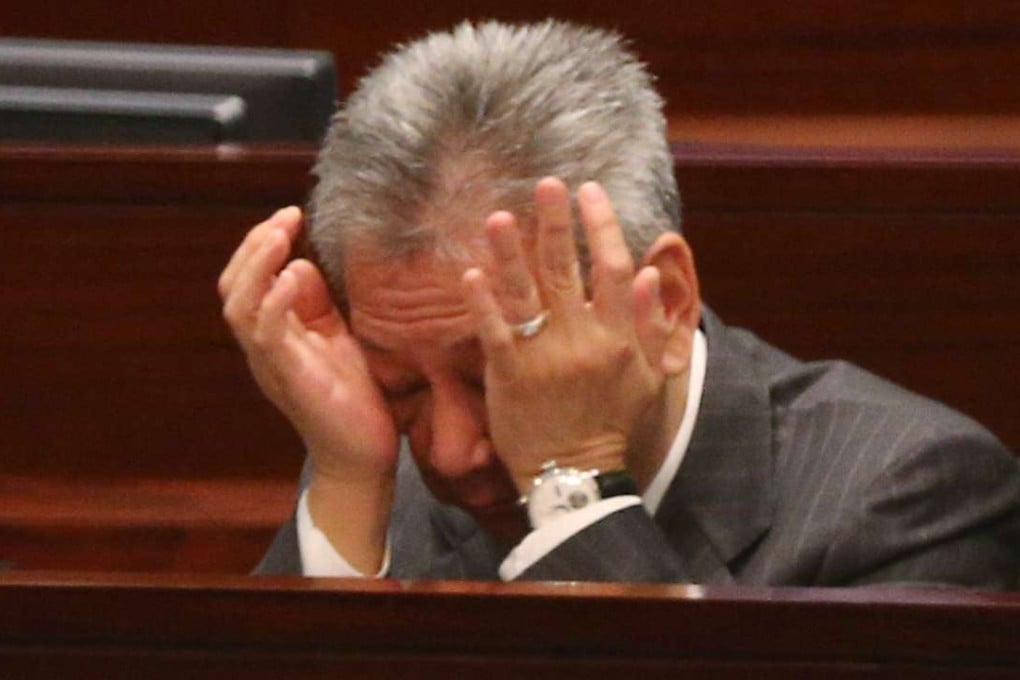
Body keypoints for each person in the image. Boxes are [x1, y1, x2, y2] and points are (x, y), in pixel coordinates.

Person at [219, 20, 1020, 587]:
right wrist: (347, 488)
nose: (451, 451)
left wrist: (574, 488)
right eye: (402, 386)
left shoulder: (906, 497)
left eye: (500, 373)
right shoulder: (376, 468)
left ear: (664, 302)